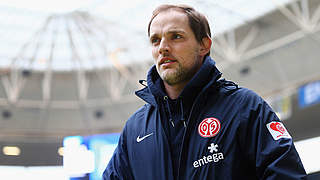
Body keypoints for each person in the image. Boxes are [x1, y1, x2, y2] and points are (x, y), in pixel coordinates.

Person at [103, 4, 307, 180]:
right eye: (155, 40)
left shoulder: (245, 107)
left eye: (176, 37)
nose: (163, 47)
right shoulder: (135, 129)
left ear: (204, 45)